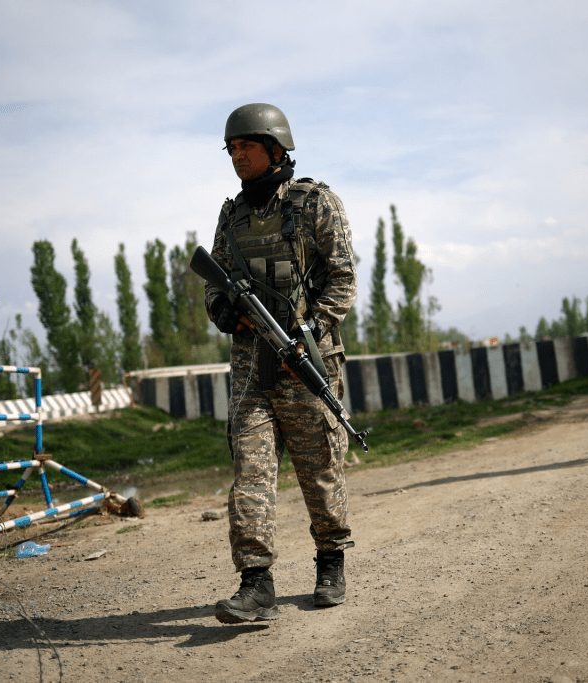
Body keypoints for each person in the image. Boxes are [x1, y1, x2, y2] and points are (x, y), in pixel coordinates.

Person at [203, 103, 357, 623]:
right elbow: (215, 281)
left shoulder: (316, 203)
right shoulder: (232, 215)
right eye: (231, 148)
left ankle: (331, 561)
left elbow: (342, 278)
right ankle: (255, 582)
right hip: (251, 369)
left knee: (320, 471)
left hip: (308, 362)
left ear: (274, 147)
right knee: (250, 471)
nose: (236, 156)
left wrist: (310, 328)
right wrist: (227, 311)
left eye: (244, 146)